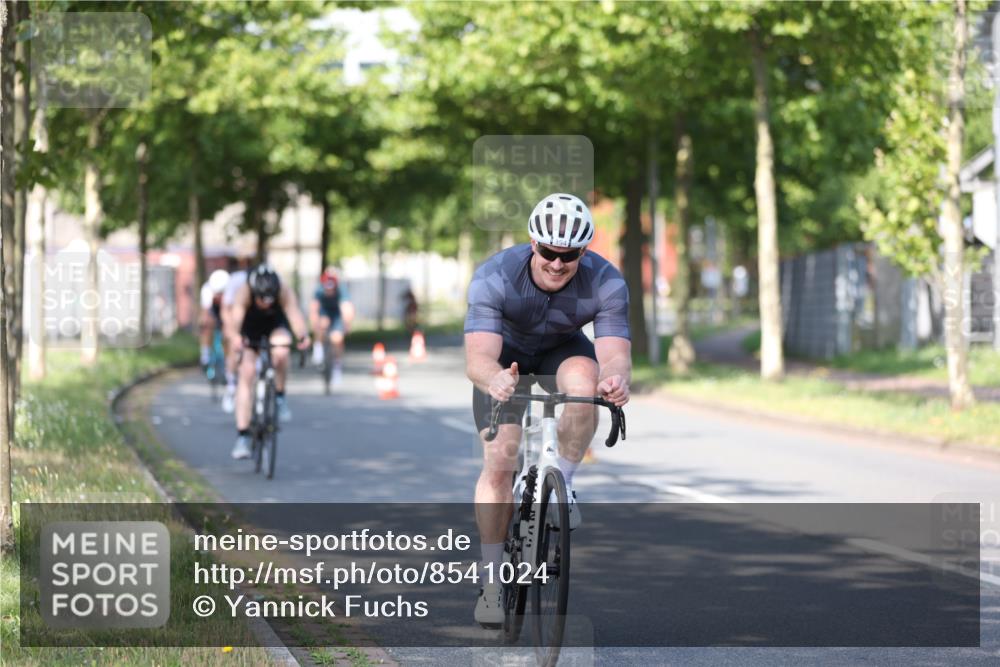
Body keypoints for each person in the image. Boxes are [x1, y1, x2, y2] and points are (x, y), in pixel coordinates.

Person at [464, 192, 632, 627]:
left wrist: (614, 379)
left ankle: (566, 483)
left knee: (585, 385)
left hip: (563, 351)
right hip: (505, 361)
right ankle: (491, 583)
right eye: (549, 252)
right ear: (533, 243)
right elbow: (477, 358)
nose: (558, 263)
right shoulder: (495, 276)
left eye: (570, 254)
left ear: (584, 250)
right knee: (500, 463)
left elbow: (613, 353)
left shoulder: (606, 281)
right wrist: (495, 378)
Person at [227, 264, 311, 460]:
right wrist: (236, 339)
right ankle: (243, 436)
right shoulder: (244, 292)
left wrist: (303, 336)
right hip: (250, 329)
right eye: (261, 300)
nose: (266, 304)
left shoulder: (282, 290)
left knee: (281, 350)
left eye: (269, 300)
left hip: (275, 327)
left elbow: (294, 313)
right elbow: (234, 323)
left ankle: (280, 396)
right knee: (247, 373)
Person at [309, 267, 355, 386]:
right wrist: (315, 325)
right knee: (321, 324)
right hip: (324, 312)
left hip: (336, 314)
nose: (329, 291)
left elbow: (347, 308)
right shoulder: (319, 290)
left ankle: (337, 367)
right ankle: (318, 349)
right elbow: (314, 309)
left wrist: (347, 324)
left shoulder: (341, 290)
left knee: (337, 338)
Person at [220, 257, 251, 412]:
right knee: (233, 346)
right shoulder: (235, 280)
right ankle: (231, 384)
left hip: (253, 320)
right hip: (236, 319)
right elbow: (226, 308)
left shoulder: (260, 278)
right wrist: (230, 330)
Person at [199, 269, 230, 367]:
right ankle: (205, 353)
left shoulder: (230, 291)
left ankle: (228, 358)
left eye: (221, 293)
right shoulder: (207, 290)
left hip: (226, 308)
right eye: (217, 293)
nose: (219, 296)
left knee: (228, 330)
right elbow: (206, 312)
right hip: (212, 309)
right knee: (206, 324)